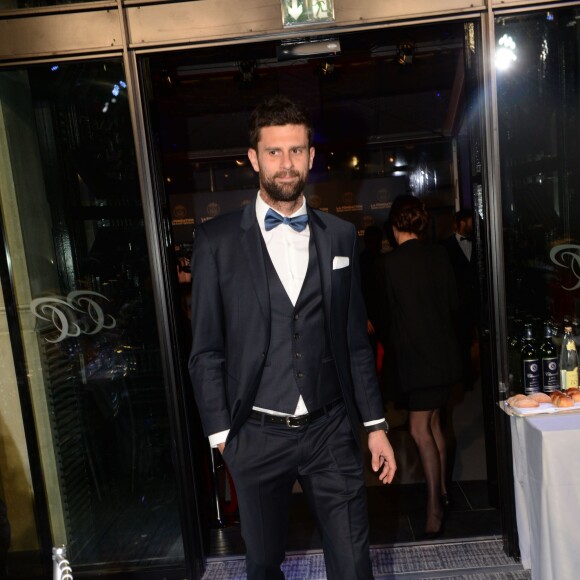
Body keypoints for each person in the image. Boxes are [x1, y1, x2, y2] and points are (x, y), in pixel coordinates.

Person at [188, 95, 396, 580]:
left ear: (311, 155)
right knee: (262, 565)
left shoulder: (341, 236)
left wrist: (375, 425)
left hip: (330, 429)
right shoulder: (216, 241)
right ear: (255, 158)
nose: (287, 164)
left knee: (352, 562)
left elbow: (354, 343)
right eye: (276, 152)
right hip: (256, 433)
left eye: (297, 151)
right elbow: (205, 350)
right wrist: (223, 437)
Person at [380, 194, 460, 539]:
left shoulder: (390, 264)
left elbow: (386, 319)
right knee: (435, 425)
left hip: (417, 361)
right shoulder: (440, 254)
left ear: (396, 225)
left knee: (418, 431)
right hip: (445, 358)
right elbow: (455, 306)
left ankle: (433, 509)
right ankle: (442, 490)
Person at [441, 209, 477, 390]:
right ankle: (465, 379)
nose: (474, 224)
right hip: (459, 303)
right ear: (463, 222)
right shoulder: (445, 246)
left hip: (478, 301)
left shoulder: (479, 242)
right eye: (472, 220)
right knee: (461, 342)